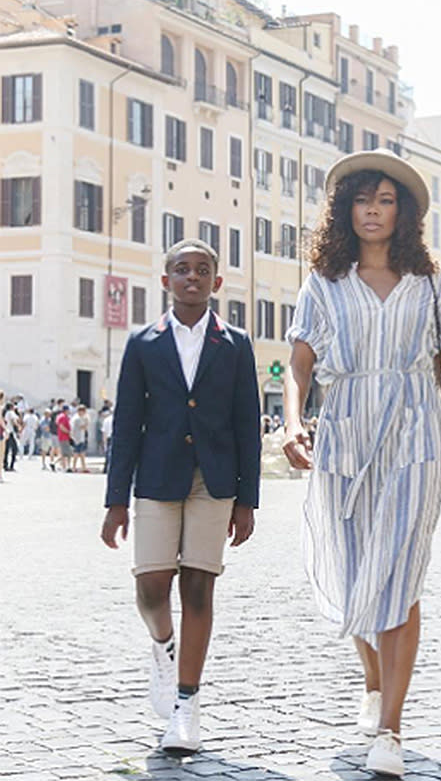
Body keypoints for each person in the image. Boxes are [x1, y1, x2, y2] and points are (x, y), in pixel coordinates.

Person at [281, 149, 441, 778]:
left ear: (404, 212)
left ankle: (390, 728)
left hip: (415, 437)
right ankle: (372, 680)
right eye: (364, 199)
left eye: (386, 199)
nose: (374, 210)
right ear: (346, 210)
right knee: (354, 577)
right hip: (344, 435)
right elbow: (299, 362)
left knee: (400, 576)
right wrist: (292, 423)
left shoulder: (430, 283)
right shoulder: (323, 284)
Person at [100, 237, 261, 755]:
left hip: (214, 481)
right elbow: (126, 424)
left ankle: (186, 706)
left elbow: (246, 426)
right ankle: (163, 646)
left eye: (201, 270)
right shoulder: (143, 343)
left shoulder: (235, 344)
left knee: (198, 590)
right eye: (180, 269)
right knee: (150, 588)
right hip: (156, 478)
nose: (191, 277)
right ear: (165, 280)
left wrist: (247, 500)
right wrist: (115, 500)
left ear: (217, 283)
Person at [70, 404, 90, 473]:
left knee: (81, 453)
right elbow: (82, 427)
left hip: (80, 437)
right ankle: (74, 467)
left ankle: (83, 467)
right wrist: (87, 422)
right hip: (78, 438)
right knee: (77, 453)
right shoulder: (77, 418)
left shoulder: (79, 418)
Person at [3, 400, 20, 471]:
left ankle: (5, 464)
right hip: (11, 433)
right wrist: (18, 427)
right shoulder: (11, 412)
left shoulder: (6, 413)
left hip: (6, 432)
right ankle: (11, 465)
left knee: (6, 449)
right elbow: (14, 421)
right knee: (14, 449)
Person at [55, 405, 73, 472]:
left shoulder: (61, 416)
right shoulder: (63, 417)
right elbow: (61, 426)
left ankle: (63, 466)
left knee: (65, 453)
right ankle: (66, 467)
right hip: (64, 437)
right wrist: (68, 432)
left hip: (63, 437)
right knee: (67, 453)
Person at [101, 405, 114, 475]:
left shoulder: (106, 420)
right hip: (114, 437)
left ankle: (106, 469)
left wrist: (104, 442)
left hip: (109, 438)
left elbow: (104, 432)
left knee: (108, 454)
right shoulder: (118, 419)